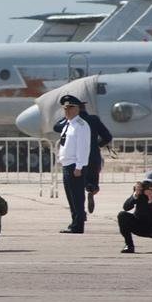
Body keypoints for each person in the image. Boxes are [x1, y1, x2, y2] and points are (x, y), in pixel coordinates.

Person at [55, 100, 113, 214]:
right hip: (92, 156)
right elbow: (107, 136)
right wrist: (97, 145)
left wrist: (65, 119)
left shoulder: (72, 122)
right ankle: (91, 190)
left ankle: (80, 213)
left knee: (76, 188)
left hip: (74, 158)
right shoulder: (94, 119)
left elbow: (56, 127)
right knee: (91, 181)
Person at [56, 95, 91, 234]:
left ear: (78, 109)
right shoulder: (68, 124)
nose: (67, 110)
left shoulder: (81, 125)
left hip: (75, 165)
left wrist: (79, 166)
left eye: (71, 107)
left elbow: (83, 147)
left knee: (77, 196)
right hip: (67, 164)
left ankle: (79, 224)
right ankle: (74, 221)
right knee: (70, 196)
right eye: (65, 108)